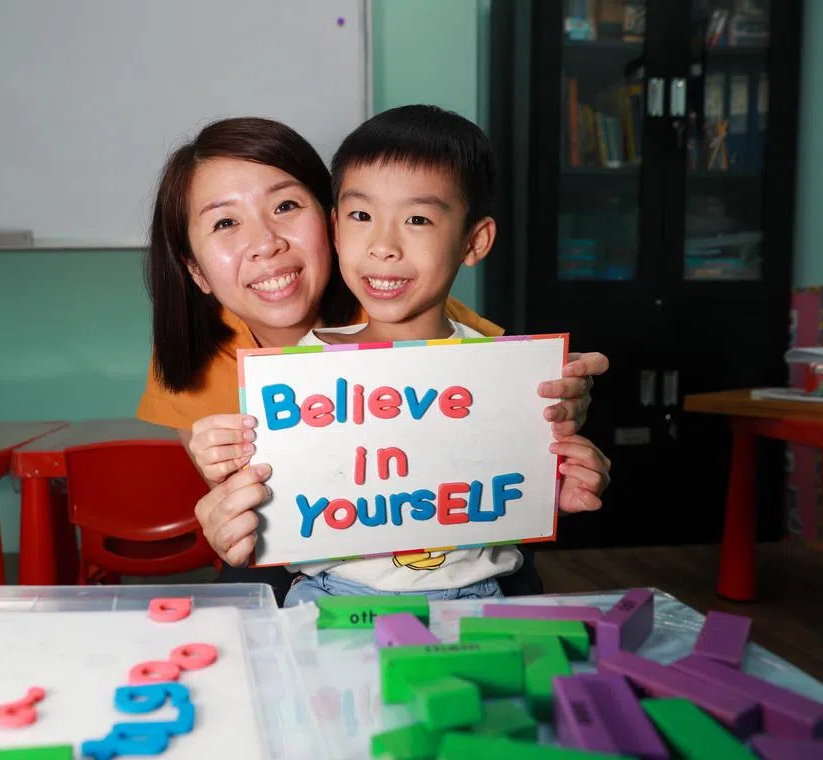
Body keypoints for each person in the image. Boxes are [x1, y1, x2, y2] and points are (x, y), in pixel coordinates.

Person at [137, 116, 609, 601]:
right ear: (194, 267)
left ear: (329, 221)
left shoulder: (399, 297)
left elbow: (513, 402)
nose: (265, 243)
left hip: (456, 563)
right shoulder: (189, 351)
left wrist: (559, 408)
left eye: (285, 206)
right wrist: (228, 508)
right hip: (322, 568)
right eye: (225, 222)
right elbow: (269, 512)